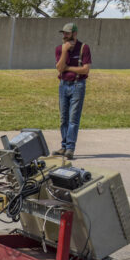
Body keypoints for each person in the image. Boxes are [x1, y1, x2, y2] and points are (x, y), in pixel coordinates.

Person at [55, 22, 91, 159]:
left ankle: (70, 148)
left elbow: (85, 69)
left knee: (73, 119)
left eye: (67, 33)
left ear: (75, 33)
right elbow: (59, 68)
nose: (65, 36)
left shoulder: (84, 48)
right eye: (63, 33)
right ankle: (64, 146)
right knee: (63, 118)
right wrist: (65, 51)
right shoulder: (59, 49)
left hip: (77, 85)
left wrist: (68, 68)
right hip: (63, 85)